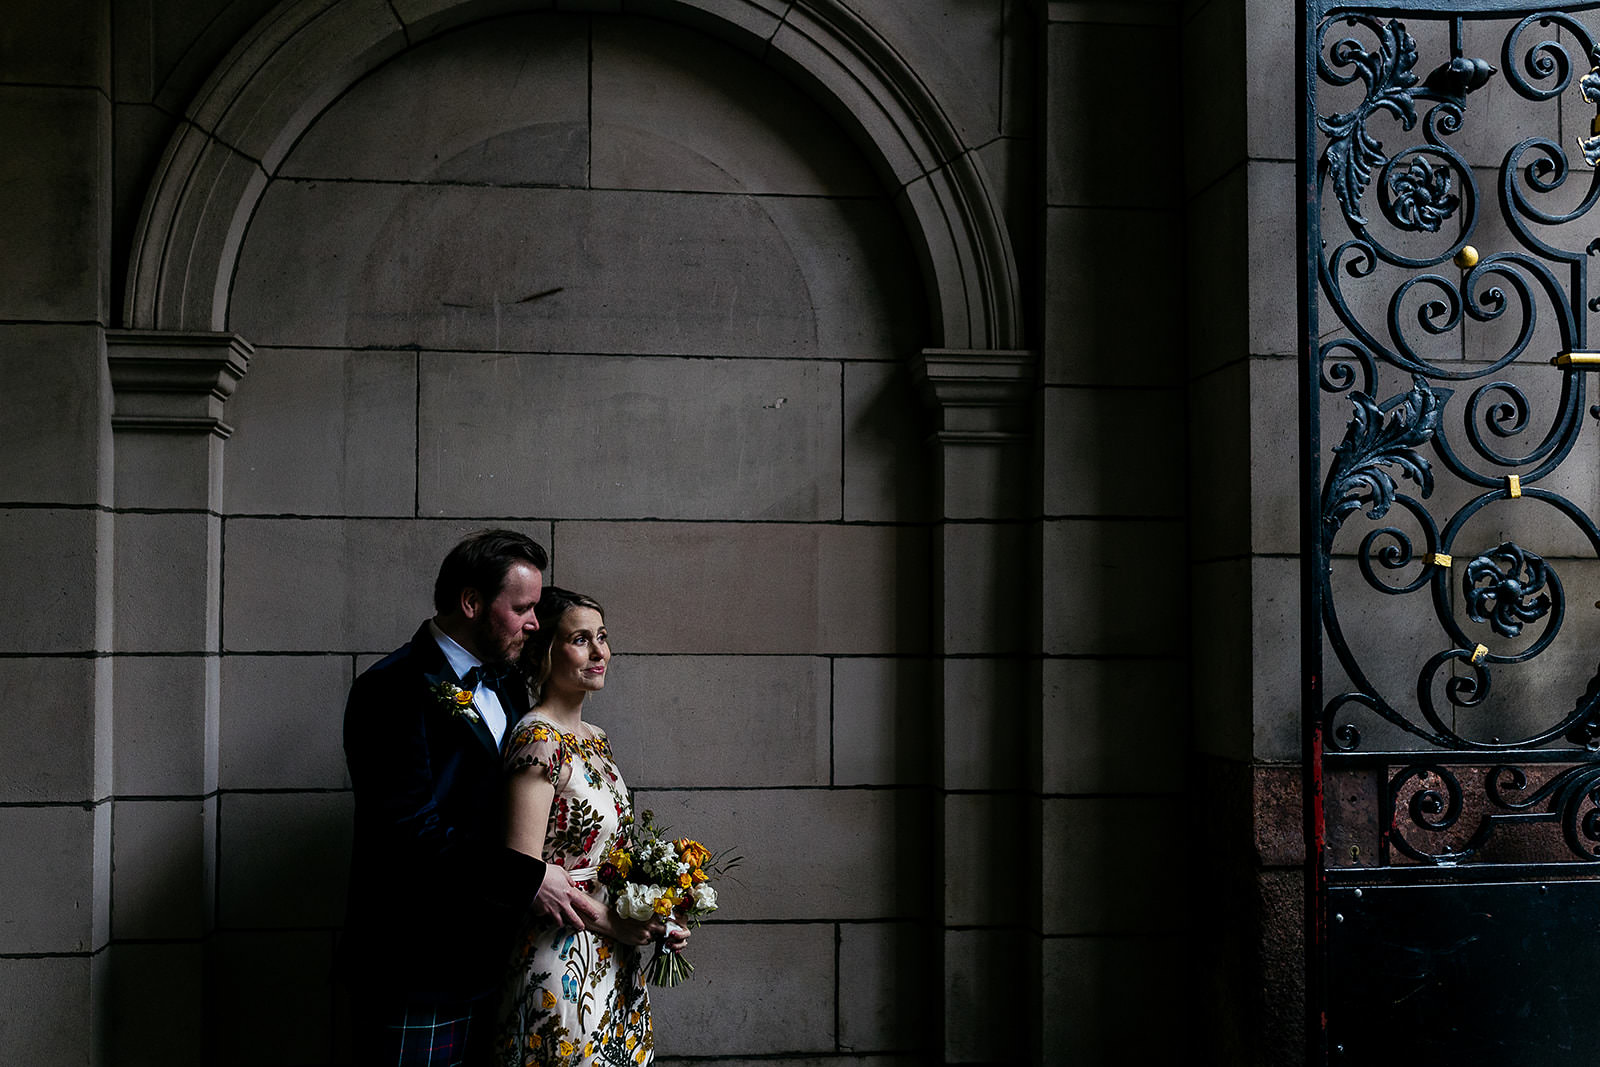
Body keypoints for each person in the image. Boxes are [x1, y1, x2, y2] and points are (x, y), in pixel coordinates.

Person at [341, 530, 601, 1066]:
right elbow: (409, 832)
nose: (535, 622)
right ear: (471, 602)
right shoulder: (390, 689)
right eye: (522, 608)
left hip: (504, 962)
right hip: (420, 966)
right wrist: (527, 878)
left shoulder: (508, 682)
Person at [494, 587, 688, 1066]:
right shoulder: (537, 738)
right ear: (544, 652)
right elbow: (522, 872)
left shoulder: (595, 738)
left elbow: (609, 855)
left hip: (616, 959)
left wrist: (659, 913)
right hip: (563, 960)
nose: (599, 652)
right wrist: (615, 924)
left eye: (602, 637)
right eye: (581, 640)